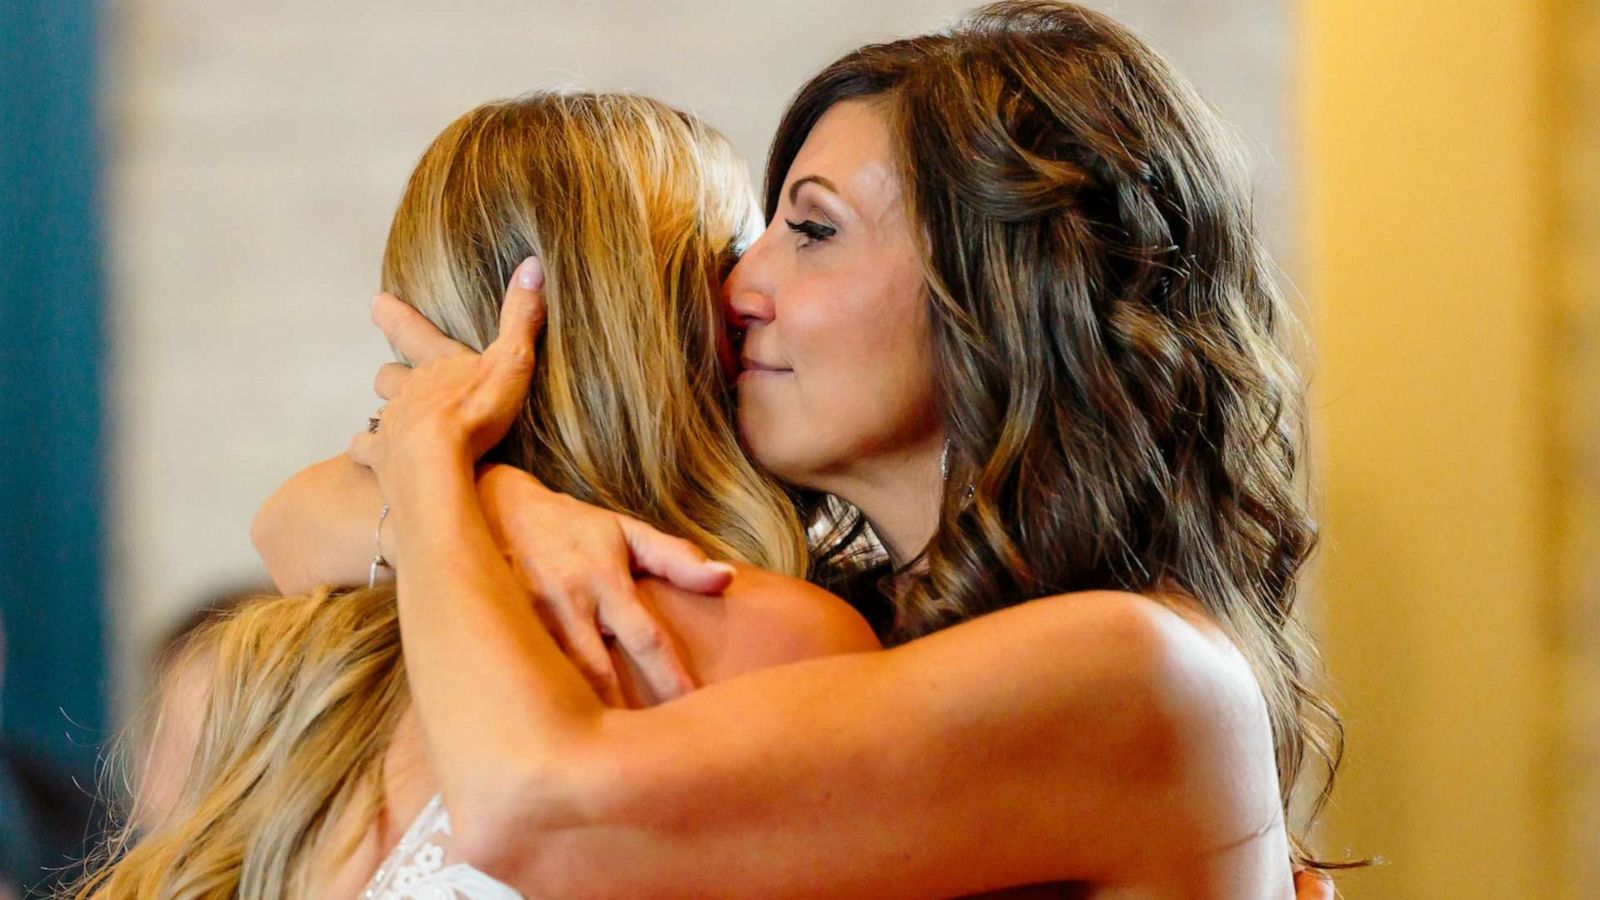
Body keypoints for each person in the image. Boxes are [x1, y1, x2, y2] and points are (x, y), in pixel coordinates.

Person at [260, 2, 1349, 896]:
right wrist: (516, 513)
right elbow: (290, 522)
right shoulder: (868, 622)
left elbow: (537, 812)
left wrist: (431, 466)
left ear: (1003, 293)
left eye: (811, 230)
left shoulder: (1140, 670)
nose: (734, 288)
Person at [72, 91, 881, 898]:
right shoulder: (776, 639)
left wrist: (459, 480)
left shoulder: (311, 643)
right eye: (739, 251)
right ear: (670, 315)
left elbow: (281, 524)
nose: (752, 292)